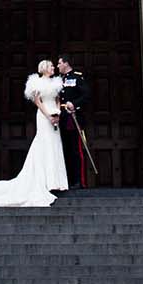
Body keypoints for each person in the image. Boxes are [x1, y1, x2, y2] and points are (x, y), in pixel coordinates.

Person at [0, 59, 67, 208]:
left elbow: (57, 99)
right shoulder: (36, 82)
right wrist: (48, 115)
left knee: (54, 144)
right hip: (43, 115)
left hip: (55, 115)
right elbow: (38, 101)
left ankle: (56, 181)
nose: (53, 68)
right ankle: (44, 181)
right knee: (44, 142)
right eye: (51, 66)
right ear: (44, 68)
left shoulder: (56, 82)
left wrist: (58, 113)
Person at [57, 54, 90, 188]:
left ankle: (79, 181)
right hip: (62, 118)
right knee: (65, 150)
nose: (58, 65)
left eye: (59, 63)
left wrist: (75, 104)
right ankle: (68, 180)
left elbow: (86, 95)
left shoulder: (77, 77)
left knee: (76, 150)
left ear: (66, 63)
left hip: (74, 117)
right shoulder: (58, 79)